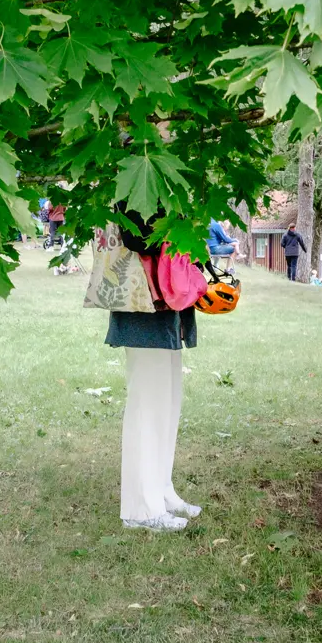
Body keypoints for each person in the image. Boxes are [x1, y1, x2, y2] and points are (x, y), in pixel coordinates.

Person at [106, 202, 201, 533]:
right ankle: (141, 509)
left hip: (163, 306)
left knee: (167, 402)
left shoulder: (164, 175)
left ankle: (161, 491)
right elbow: (139, 238)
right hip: (143, 305)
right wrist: (178, 224)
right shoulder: (136, 174)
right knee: (148, 405)